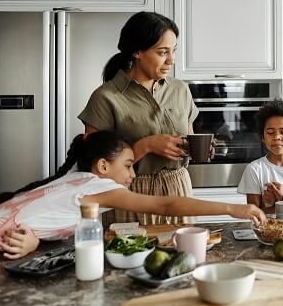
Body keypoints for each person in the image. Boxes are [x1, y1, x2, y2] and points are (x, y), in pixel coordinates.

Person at [0, 131, 266, 264]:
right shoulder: (94, 186)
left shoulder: (74, 181)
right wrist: (233, 208)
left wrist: (34, 241)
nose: (133, 175)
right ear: (102, 167)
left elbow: (41, 220)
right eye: (128, 166)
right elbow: (164, 205)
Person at [78, 12, 199, 226]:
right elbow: (94, 170)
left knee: (185, 258)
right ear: (136, 52)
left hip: (179, 188)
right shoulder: (106, 98)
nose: (171, 60)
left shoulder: (181, 90)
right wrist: (146, 146)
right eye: (163, 52)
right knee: (133, 257)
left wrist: (198, 148)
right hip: (130, 194)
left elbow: (188, 139)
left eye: (173, 51)